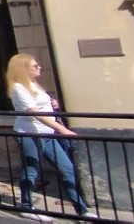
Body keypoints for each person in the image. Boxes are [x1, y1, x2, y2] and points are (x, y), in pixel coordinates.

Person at [6, 54, 96, 222]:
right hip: (30, 134)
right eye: (34, 66)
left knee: (67, 168)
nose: (39, 67)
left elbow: (42, 104)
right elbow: (35, 113)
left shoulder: (33, 84)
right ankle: (26, 207)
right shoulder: (18, 88)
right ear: (23, 69)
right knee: (31, 169)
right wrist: (63, 130)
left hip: (46, 134)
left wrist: (53, 104)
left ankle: (81, 210)